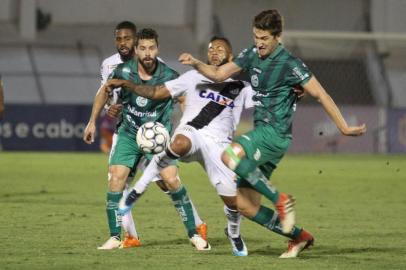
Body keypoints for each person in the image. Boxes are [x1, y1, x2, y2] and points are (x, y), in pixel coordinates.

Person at [178, 9, 367, 258]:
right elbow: (218, 73)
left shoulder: (290, 64)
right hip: (265, 137)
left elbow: (321, 94)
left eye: (264, 38)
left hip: (274, 133)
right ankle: (299, 237)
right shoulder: (251, 54)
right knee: (245, 205)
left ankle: (281, 199)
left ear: (277, 36)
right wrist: (195, 63)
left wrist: (343, 127)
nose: (259, 43)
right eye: (256, 36)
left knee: (229, 156)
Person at [111, 36, 254, 256]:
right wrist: (129, 84)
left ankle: (234, 234)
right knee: (178, 143)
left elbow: (267, 102)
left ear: (231, 57)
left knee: (233, 202)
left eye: (220, 49)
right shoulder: (192, 77)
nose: (214, 52)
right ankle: (137, 191)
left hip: (218, 147)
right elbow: (157, 92)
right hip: (192, 133)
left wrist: (292, 92)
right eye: (211, 49)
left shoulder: (242, 87)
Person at [84, 28, 208, 250]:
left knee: (170, 180)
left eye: (151, 48)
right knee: (116, 178)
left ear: (157, 49)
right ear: (136, 50)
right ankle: (115, 237)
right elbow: (105, 90)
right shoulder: (123, 71)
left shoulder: (169, 75)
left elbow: (184, 98)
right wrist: (93, 120)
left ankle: (194, 234)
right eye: (142, 48)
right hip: (129, 134)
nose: (147, 53)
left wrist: (187, 127)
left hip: (157, 138)